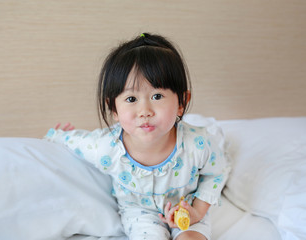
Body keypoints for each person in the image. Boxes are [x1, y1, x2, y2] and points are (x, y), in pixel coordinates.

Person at [45, 33, 230, 240]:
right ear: (113, 108)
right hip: (140, 214)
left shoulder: (198, 144)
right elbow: (76, 141)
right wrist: (58, 135)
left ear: (181, 102)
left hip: (184, 208)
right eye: (131, 98)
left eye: (157, 96)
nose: (144, 111)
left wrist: (197, 210)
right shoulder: (106, 147)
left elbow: (217, 173)